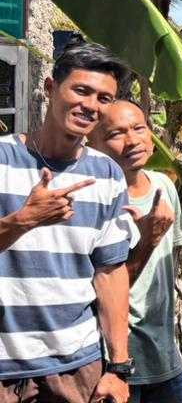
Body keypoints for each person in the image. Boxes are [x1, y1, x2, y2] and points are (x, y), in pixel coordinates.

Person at [0, 43, 133, 403]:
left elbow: (110, 273)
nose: (91, 105)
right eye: (81, 90)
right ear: (48, 88)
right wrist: (23, 221)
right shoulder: (2, 159)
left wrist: (118, 367)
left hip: (77, 366)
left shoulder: (106, 174)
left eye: (104, 98)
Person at [89, 100, 182, 403]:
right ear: (91, 143)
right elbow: (100, 290)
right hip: (113, 365)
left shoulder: (164, 186)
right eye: (116, 134)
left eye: (139, 128)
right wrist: (147, 240)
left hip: (166, 361)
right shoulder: (92, 201)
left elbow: (167, 276)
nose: (133, 140)